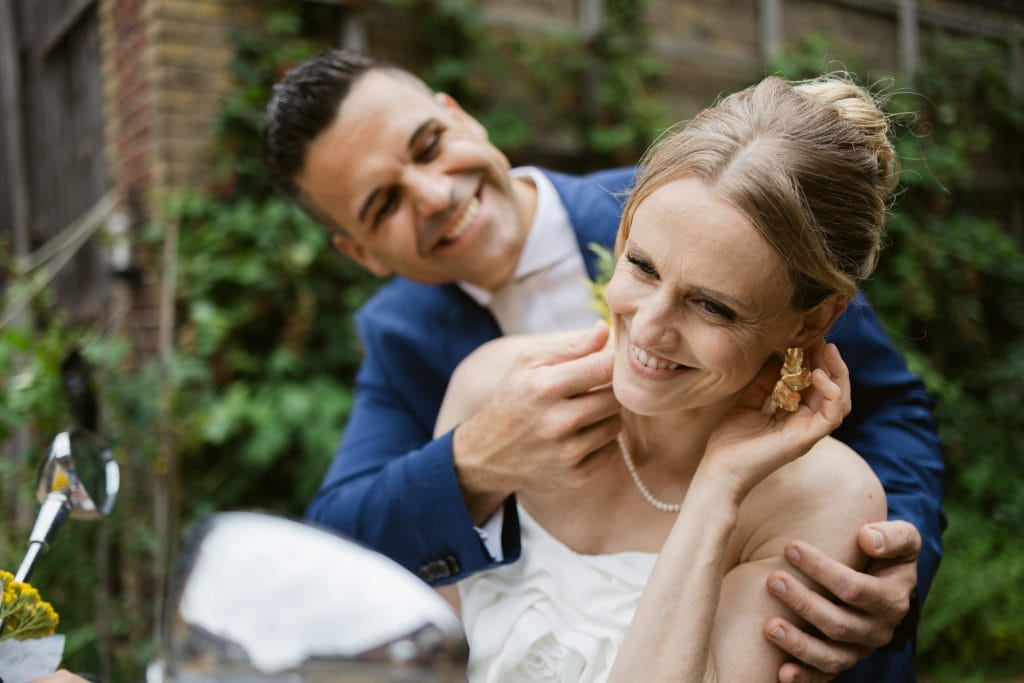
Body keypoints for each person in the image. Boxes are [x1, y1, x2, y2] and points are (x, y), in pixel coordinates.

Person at [262, 49, 944, 680]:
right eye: (384, 203)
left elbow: (887, 407)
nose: (435, 195)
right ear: (361, 253)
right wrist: (473, 463)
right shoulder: (408, 341)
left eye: (428, 146)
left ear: (458, 114)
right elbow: (339, 545)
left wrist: (870, 563)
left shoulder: (720, 198)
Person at [433, 74, 903, 681]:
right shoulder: (490, 385)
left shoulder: (822, 499)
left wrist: (717, 491)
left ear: (811, 319)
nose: (650, 328)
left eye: (712, 306)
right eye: (643, 266)